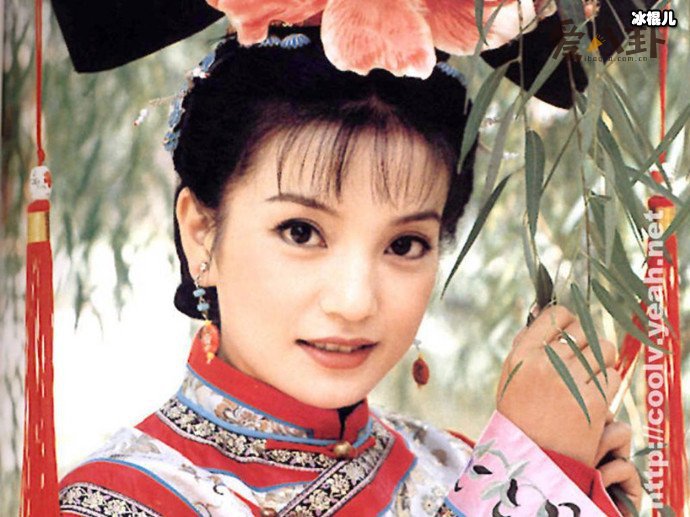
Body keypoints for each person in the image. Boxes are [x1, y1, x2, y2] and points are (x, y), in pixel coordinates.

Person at [57, 24, 642, 517]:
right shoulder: (116, 500)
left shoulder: (457, 463)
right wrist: (530, 481)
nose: (355, 300)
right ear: (201, 231)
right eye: (301, 232)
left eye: (405, 244)